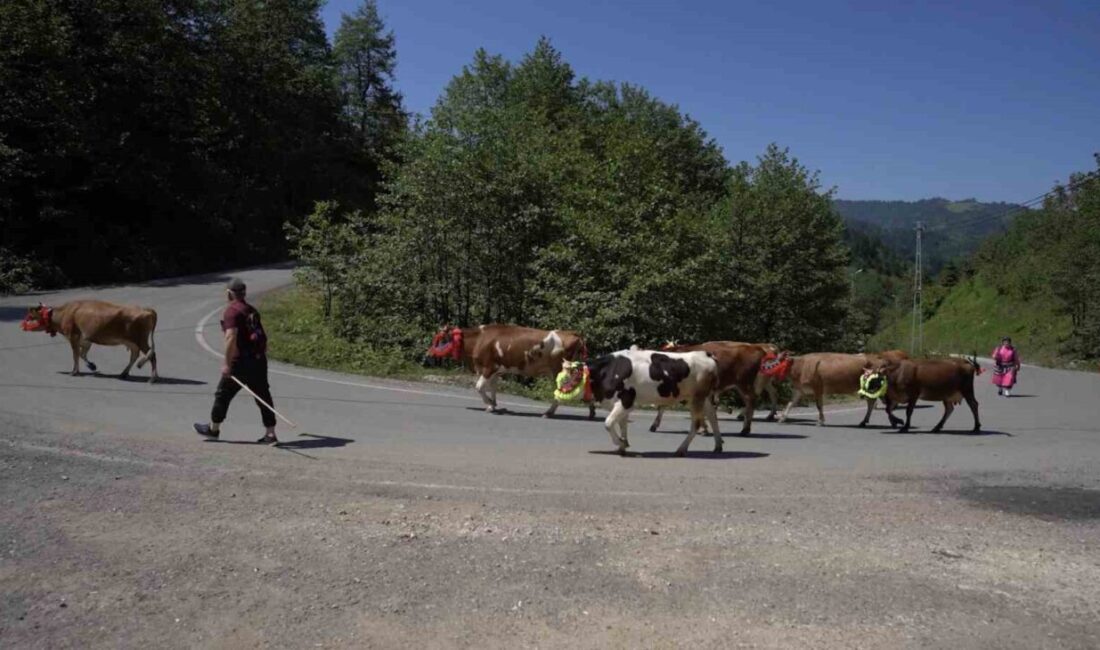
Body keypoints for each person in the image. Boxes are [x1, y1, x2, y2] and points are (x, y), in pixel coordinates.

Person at [194, 278, 278, 444]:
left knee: (223, 394)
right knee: (263, 396)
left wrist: (227, 363)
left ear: (229, 294)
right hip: (258, 361)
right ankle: (270, 434)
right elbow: (261, 336)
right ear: (244, 293)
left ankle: (213, 429)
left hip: (240, 363)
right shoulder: (251, 310)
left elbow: (231, 337)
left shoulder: (232, 312)